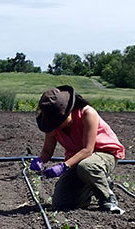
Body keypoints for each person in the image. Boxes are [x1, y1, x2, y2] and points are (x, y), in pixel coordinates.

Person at [31, 85, 125, 214]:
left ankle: (107, 197)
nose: (55, 126)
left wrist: (64, 166)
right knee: (61, 203)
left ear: (67, 113)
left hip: (104, 154)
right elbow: (47, 151)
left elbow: (88, 149)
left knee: (87, 166)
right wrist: (40, 160)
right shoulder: (51, 125)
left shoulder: (87, 113)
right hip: (78, 161)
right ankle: (92, 185)